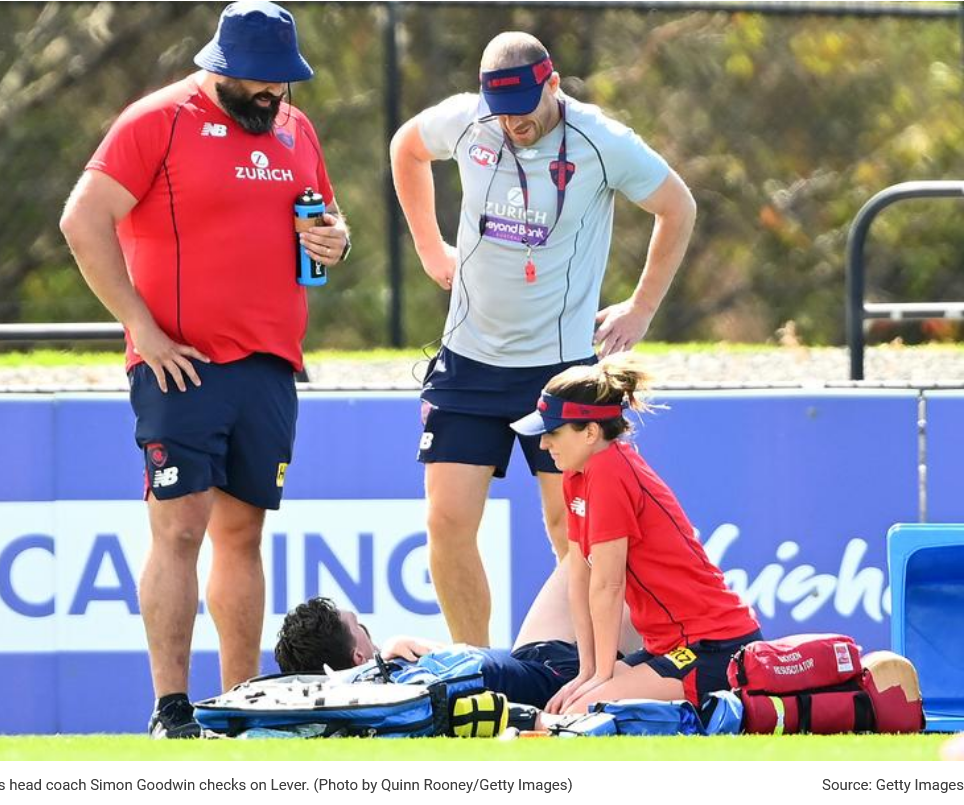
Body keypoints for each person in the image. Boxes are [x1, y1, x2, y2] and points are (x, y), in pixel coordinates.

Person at [59, 1, 350, 739]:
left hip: (271, 364)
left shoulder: (295, 128)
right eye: (260, 80)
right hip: (181, 364)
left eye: (283, 82)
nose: (273, 94)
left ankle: (240, 702)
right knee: (179, 529)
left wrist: (333, 240)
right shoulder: (157, 119)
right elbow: (82, 219)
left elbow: (324, 226)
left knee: (242, 534)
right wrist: (142, 329)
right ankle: (171, 707)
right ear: (220, 67)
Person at [390, 31, 696, 647]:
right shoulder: (471, 120)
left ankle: (586, 671)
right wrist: (428, 246)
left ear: (552, 86)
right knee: (446, 524)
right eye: (500, 112)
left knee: (573, 529)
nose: (511, 124)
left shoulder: (599, 141)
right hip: (468, 361)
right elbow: (407, 147)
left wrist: (640, 309)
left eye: (523, 110)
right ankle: (475, 671)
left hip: (558, 372)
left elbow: (677, 206)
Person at [509, 355, 762, 715]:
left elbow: (608, 585)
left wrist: (603, 677)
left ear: (591, 432)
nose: (544, 444)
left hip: (715, 646)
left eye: (553, 432)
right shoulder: (577, 473)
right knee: (568, 705)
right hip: (670, 645)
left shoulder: (609, 470)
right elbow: (580, 576)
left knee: (581, 712)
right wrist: (588, 671)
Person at [274, 560, 641, 712]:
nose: (375, 636)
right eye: (363, 630)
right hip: (567, 678)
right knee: (624, 567)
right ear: (357, 659)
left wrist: (389, 651)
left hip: (529, 653)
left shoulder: (397, 666)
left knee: (583, 552)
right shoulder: (400, 703)